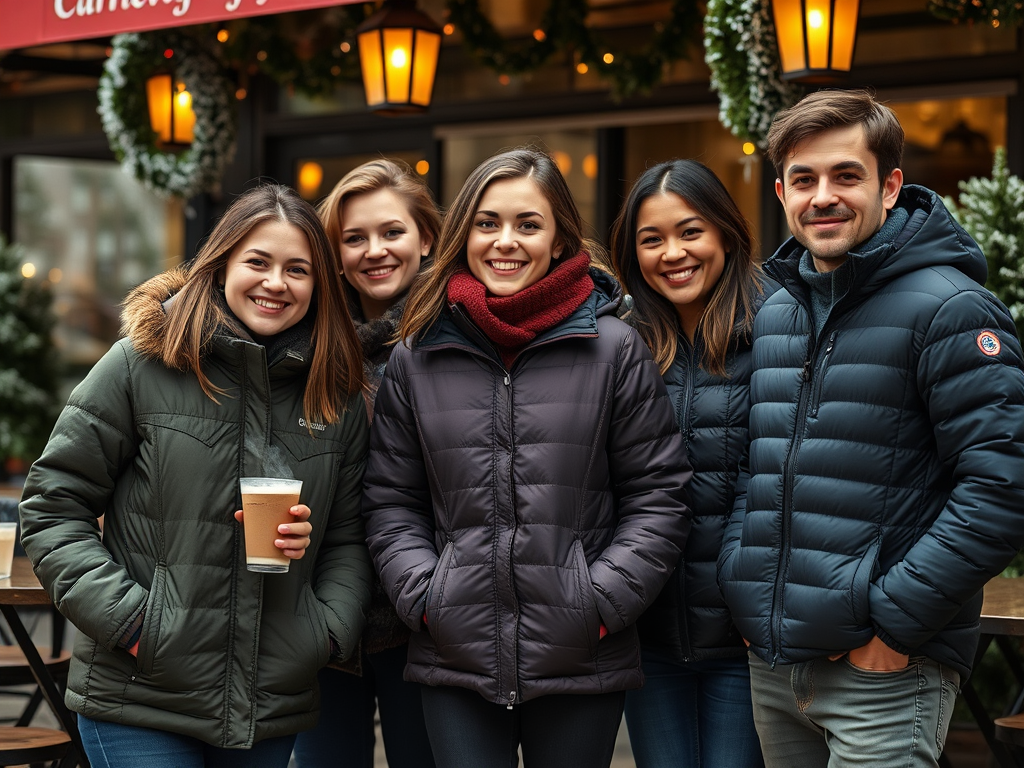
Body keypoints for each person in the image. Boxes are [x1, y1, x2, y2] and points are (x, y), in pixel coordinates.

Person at [717, 88, 1024, 767]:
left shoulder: (953, 309)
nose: (822, 195)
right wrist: (746, 585)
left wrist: (893, 623)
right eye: (804, 179)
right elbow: (755, 468)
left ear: (889, 187)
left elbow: (1002, 487)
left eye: (845, 175)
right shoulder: (777, 312)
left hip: (884, 670)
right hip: (776, 661)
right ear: (781, 192)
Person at [19, 184, 374, 768]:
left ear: (320, 284)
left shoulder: (335, 395)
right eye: (257, 261)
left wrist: (324, 631)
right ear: (221, 264)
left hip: (268, 700)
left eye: (297, 269)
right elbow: (53, 507)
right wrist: (134, 623)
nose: (275, 282)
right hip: (139, 692)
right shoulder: (142, 362)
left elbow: (351, 537)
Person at [361, 147, 692, 768]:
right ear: (463, 234)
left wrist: (598, 603)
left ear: (560, 238)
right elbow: (390, 500)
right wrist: (427, 598)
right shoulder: (417, 353)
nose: (504, 241)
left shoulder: (615, 348)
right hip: (454, 657)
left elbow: (660, 496)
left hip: (581, 656)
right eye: (487, 223)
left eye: (527, 224)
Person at [610, 159, 767, 768]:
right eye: (652, 239)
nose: (672, 253)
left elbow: (783, 482)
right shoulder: (623, 344)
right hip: (647, 636)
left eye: (691, 231)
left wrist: (755, 606)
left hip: (743, 638)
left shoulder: (778, 329)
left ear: (726, 231)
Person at [292, 158, 439, 768]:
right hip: (323, 613)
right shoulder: (306, 339)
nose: (374, 251)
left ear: (426, 237)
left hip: (428, 617)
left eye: (391, 232)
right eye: (354, 238)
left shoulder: (458, 332)